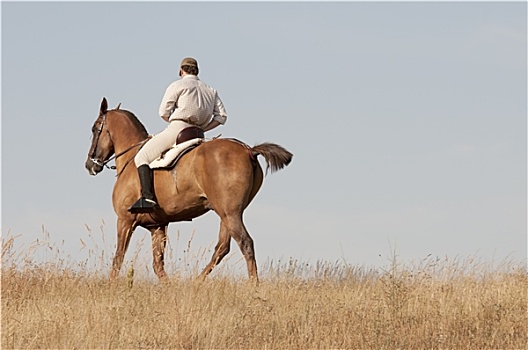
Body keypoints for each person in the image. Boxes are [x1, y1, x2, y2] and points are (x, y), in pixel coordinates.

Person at [129, 57, 228, 213]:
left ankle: (147, 198)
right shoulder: (211, 90)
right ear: (197, 71)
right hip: (198, 133)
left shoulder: (178, 85)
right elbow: (222, 117)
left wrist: (173, 122)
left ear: (181, 70)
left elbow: (163, 112)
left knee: (142, 157)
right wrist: (204, 128)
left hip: (178, 129)